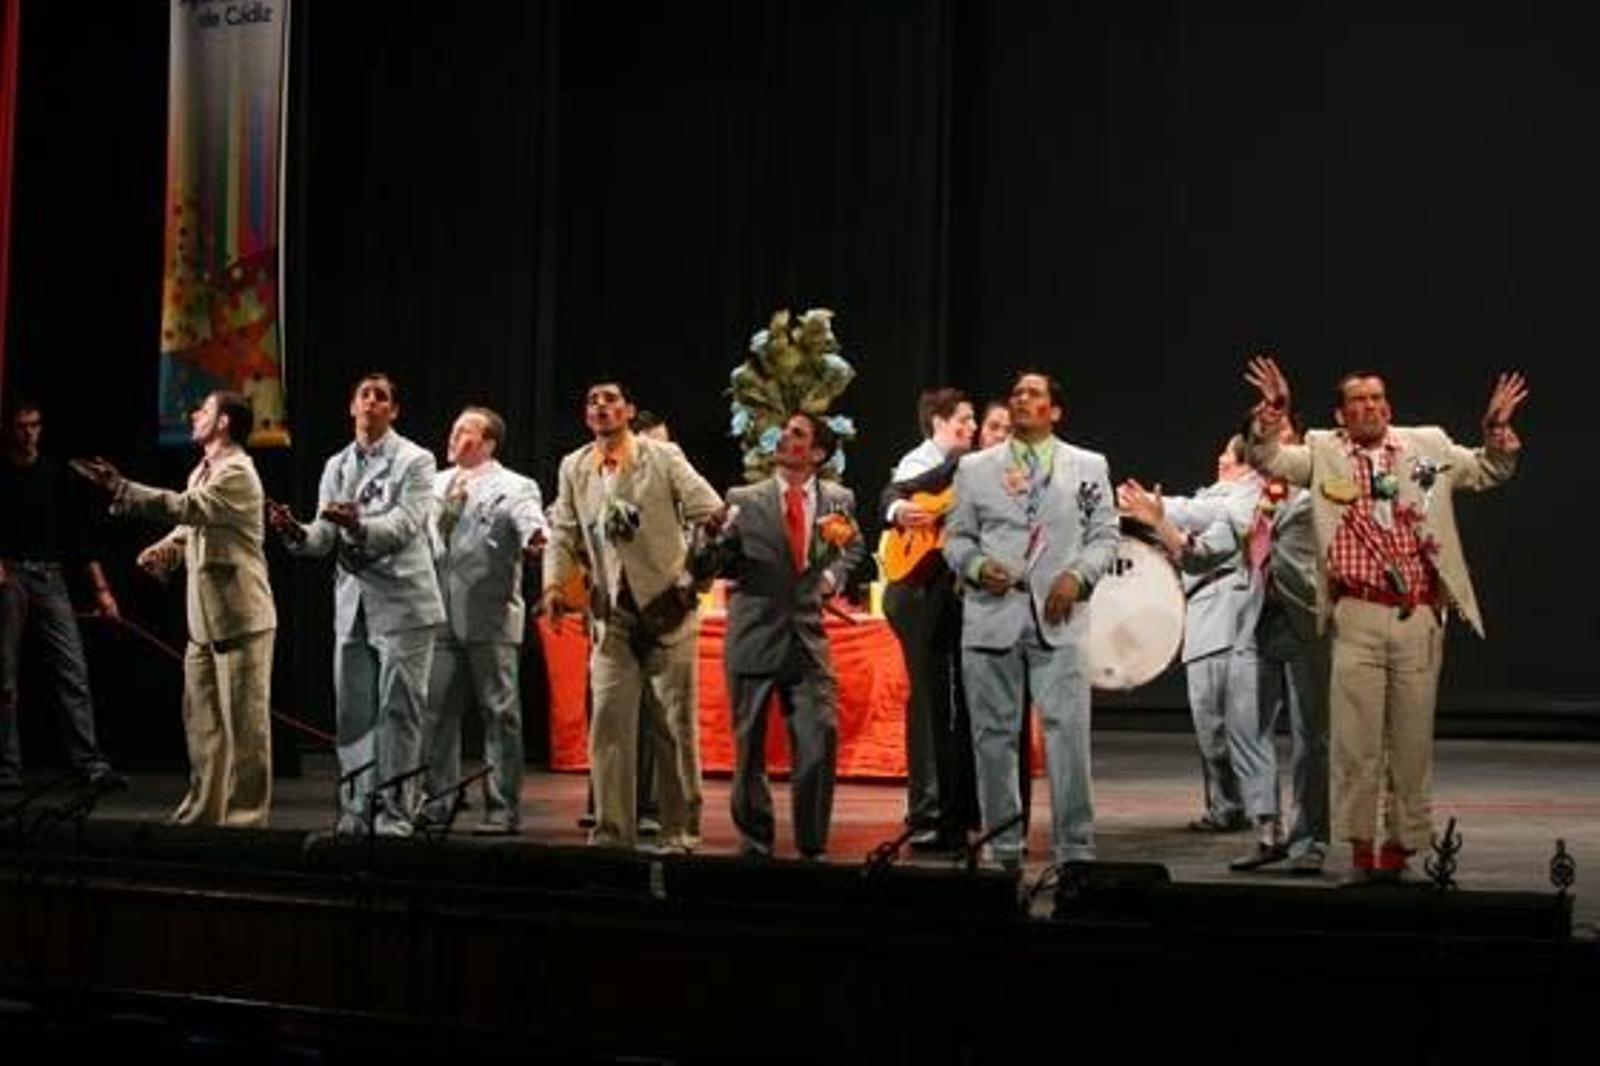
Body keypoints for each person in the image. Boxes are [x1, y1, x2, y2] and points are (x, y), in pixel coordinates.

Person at [1243, 355, 1527, 884]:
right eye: (1358, 401)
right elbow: (1268, 459)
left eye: (1377, 398)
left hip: (1416, 614)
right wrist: (1273, 412)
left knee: (1411, 741)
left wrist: (1495, 432)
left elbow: (1488, 469)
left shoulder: (1427, 446)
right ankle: (1361, 852)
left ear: (1388, 406)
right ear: (1341, 414)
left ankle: (1399, 851)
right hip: (1356, 613)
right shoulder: (1324, 451)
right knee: (1355, 742)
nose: (1370, 407)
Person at [74, 391, 276, 826]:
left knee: (245, 728)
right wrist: (167, 547)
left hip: (241, 618)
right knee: (204, 725)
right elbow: (191, 525)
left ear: (224, 422)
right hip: (204, 619)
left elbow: (190, 507)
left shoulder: (238, 472)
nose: (195, 415)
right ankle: (203, 812)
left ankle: (244, 823)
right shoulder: (202, 470)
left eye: (205, 410)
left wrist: (122, 487)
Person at [944, 370, 1119, 869]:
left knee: (1069, 738)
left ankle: (1075, 851)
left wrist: (1078, 577)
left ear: (1054, 411)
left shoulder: (1088, 465)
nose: (1021, 399)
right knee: (993, 740)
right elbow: (956, 540)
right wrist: (978, 567)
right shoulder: (975, 467)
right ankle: (1003, 850)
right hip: (991, 616)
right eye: (1017, 393)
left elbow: (1105, 535)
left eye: (1033, 393)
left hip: (1058, 617)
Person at [541, 380, 722, 852]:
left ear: (628, 411)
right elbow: (562, 533)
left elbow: (712, 515)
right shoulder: (574, 466)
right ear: (587, 416)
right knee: (608, 725)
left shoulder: (663, 457)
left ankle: (680, 831)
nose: (601, 406)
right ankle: (611, 833)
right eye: (593, 401)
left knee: (674, 726)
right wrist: (555, 586)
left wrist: (693, 581)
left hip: (668, 611)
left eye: (611, 400)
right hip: (612, 616)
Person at [267, 372, 445, 837]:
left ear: (393, 410)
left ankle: (396, 814)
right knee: (353, 716)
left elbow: (405, 525)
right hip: (353, 607)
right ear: (352, 407)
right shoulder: (337, 464)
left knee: (399, 713)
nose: (371, 401)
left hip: (405, 604)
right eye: (364, 395)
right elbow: (322, 536)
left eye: (381, 397)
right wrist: (295, 532)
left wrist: (358, 525)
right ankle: (356, 810)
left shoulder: (416, 460)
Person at [1118, 435, 1286, 865]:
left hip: (1228, 614)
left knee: (1237, 726)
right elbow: (1190, 534)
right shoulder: (1223, 498)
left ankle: (1257, 817)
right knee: (1215, 727)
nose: (1220, 458)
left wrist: (1151, 507)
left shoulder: (1242, 495)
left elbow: (1194, 512)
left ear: (1246, 465)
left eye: (1229, 454)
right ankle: (1233, 809)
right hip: (1206, 614)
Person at [712, 412, 865, 860]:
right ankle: (756, 841)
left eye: (797, 434)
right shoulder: (742, 499)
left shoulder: (838, 499)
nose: (783, 438)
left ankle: (812, 844)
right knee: (749, 748)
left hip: (808, 640)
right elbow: (720, 561)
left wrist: (832, 577)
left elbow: (852, 546)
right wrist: (713, 539)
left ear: (817, 452)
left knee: (819, 736)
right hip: (754, 635)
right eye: (784, 431)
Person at [417, 405, 545, 835]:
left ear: (488, 443)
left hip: (490, 617)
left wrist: (536, 538)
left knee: (499, 713)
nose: (453, 437)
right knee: (435, 713)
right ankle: (437, 802)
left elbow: (530, 521)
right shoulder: (434, 483)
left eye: (464, 432)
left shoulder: (514, 486)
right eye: (453, 429)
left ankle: (502, 809)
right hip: (440, 615)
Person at [0, 397, 123, 790]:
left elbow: (79, 537)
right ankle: (7, 767)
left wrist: (102, 591)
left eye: (34, 425)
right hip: (9, 576)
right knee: (4, 676)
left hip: (49, 576)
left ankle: (88, 763)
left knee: (73, 670)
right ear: (10, 429)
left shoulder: (55, 473)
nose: (28, 433)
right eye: (21, 426)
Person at [879, 387, 977, 850]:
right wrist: (900, 510)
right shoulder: (920, 462)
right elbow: (896, 497)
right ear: (938, 422)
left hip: (941, 594)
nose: (971, 428)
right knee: (926, 700)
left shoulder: (965, 465)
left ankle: (952, 804)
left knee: (942, 701)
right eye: (964, 420)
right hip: (914, 591)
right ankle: (926, 806)